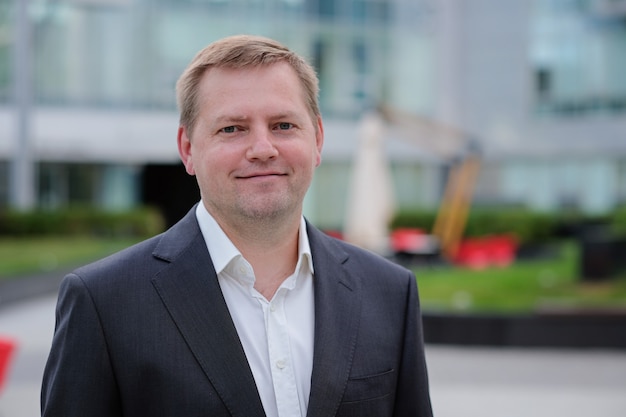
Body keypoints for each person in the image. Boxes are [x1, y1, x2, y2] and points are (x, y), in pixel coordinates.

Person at [40, 34, 432, 417]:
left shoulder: (390, 293)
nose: (263, 148)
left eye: (283, 125)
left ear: (318, 139)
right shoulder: (104, 303)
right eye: (232, 128)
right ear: (188, 148)